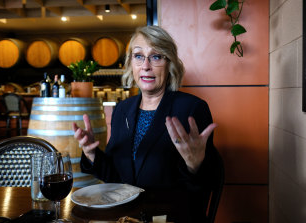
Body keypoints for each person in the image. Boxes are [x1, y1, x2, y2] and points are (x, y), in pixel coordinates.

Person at [73, 25, 220, 222]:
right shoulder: (122, 109)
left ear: (170, 64)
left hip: (172, 217)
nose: (146, 65)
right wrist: (92, 154)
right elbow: (116, 178)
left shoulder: (192, 109)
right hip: (125, 217)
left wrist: (195, 166)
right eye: (138, 56)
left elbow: (204, 185)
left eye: (156, 56)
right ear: (130, 63)